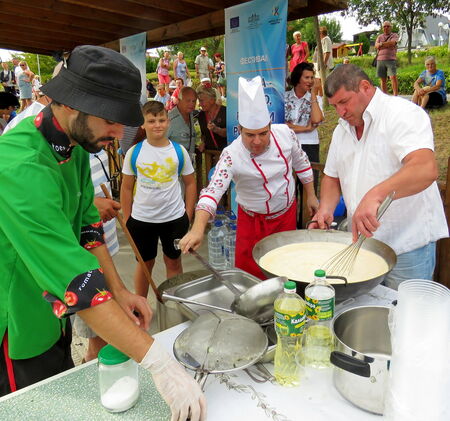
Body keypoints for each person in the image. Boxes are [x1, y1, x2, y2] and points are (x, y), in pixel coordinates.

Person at [0, 45, 206, 420]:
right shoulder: (21, 164)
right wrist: (160, 364)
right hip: (15, 322)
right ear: (73, 104)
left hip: (51, 316)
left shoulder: (74, 148)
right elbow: (74, 282)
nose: (119, 131)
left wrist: (120, 290)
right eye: (111, 119)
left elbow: (87, 230)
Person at [311, 64, 448, 290]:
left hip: (406, 247)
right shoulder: (341, 129)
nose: (341, 112)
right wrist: (325, 209)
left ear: (365, 87)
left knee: (406, 318)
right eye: (335, 106)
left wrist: (375, 195)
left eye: (344, 102)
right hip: (364, 246)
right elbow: (331, 177)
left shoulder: (402, 114)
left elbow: (425, 168)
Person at [179, 76, 319, 279]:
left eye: (263, 133)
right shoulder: (231, 154)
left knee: (285, 271)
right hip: (251, 222)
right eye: (250, 135)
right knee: (251, 276)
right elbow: (212, 191)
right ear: (240, 130)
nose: (257, 141)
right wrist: (197, 228)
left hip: (285, 217)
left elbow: (302, 164)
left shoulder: (286, 135)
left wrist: (312, 195)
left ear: (270, 126)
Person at [121, 100, 196, 298]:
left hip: (174, 219)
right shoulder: (133, 153)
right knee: (145, 264)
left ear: (168, 122)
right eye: (152, 120)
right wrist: (127, 218)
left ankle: (175, 302)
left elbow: (190, 183)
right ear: (142, 124)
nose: (157, 125)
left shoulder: (179, 152)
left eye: (162, 120)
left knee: (173, 262)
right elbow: (126, 188)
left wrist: (187, 215)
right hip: (142, 220)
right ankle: (141, 305)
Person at [285, 62, 324, 226]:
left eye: (312, 77)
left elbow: (316, 120)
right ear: (297, 78)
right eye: (306, 77)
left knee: (309, 188)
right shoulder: (285, 97)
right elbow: (282, 125)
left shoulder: (316, 99)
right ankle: (290, 225)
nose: (310, 80)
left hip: (310, 146)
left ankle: (308, 226)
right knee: (288, 187)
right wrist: (304, 128)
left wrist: (313, 94)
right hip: (288, 145)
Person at [167, 86, 198, 160]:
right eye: (188, 100)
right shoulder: (169, 119)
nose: (191, 104)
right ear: (179, 100)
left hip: (188, 166)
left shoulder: (191, 115)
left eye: (194, 101)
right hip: (172, 165)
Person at [196, 85, 227, 153]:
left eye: (201, 101)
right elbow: (204, 134)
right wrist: (203, 142)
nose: (199, 104)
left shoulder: (226, 112)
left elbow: (231, 133)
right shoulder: (201, 115)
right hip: (210, 155)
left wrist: (217, 130)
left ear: (212, 100)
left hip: (226, 156)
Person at [375, 21, 399, 96]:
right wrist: (385, 44)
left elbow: (392, 43)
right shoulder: (379, 36)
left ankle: (395, 96)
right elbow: (376, 46)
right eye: (384, 26)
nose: (386, 28)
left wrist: (381, 44)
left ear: (391, 27)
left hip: (391, 59)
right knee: (383, 79)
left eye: (388, 26)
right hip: (380, 59)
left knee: (393, 77)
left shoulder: (394, 35)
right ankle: (385, 96)